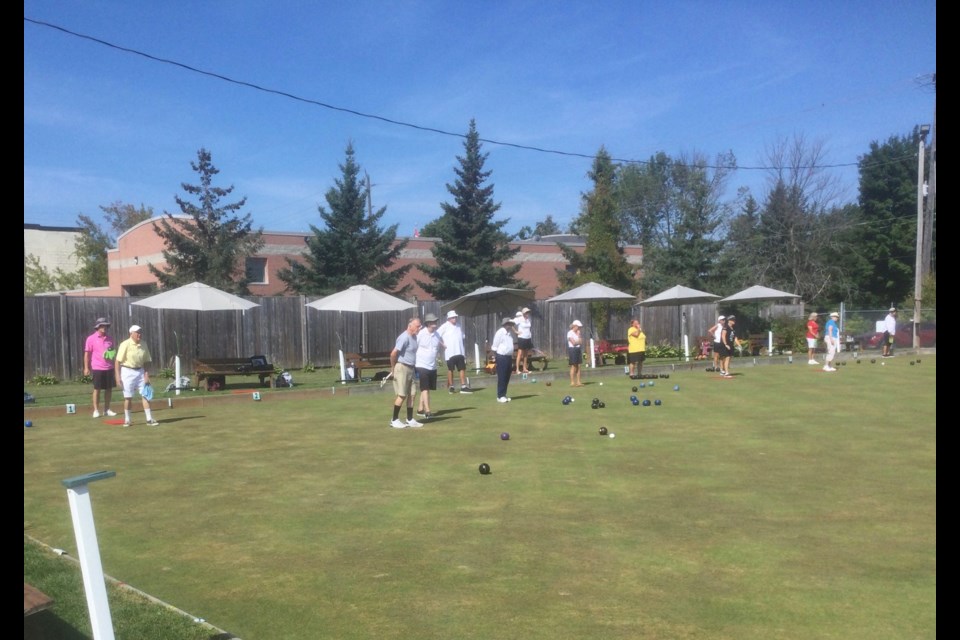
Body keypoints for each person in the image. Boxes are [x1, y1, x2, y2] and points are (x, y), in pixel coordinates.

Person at [114, 325, 159, 427]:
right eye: (137, 332)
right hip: (127, 371)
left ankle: (149, 419)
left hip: (140, 372)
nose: (139, 334)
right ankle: (127, 420)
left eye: (140, 332)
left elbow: (147, 361)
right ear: (131, 333)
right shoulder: (125, 344)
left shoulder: (144, 344)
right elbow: (117, 361)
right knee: (128, 397)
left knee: (145, 394)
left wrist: (146, 374)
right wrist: (117, 377)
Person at [389, 317, 423, 429]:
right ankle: (394, 420)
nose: (420, 328)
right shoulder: (404, 337)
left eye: (419, 326)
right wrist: (393, 368)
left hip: (411, 368)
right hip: (402, 367)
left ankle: (409, 419)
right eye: (417, 326)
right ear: (410, 326)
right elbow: (393, 354)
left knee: (412, 394)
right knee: (402, 395)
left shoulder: (414, 337)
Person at [84, 317, 118, 418]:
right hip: (97, 367)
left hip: (109, 367)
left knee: (109, 389)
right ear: (98, 327)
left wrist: (111, 354)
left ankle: (107, 410)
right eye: (102, 326)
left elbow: (112, 351)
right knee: (97, 389)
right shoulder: (90, 339)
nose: (104, 327)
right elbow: (87, 354)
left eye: (106, 326)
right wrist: (86, 368)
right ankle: (96, 410)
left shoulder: (110, 339)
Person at [436, 310, 472, 394]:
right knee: (450, 369)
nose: (454, 319)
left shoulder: (459, 326)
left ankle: (463, 386)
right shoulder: (444, 326)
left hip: (459, 351)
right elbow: (436, 335)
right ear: (449, 318)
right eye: (453, 317)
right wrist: (442, 344)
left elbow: (462, 336)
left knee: (462, 368)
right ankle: (451, 387)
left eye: (455, 317)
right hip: (450, 352)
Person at [415, 313, 442, 419]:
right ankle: (427, 411)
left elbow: (437, 346)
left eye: (435, 321)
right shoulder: (421, 334)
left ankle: (420, 409)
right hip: (421, 364)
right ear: (428, 323)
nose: (435, 323)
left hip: (432, 366)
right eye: (433, 321)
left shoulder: (437, 335)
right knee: (425, 388)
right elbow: (414, 346)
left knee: (426, 388)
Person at [491, 317, 516, 403]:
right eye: (510, 324)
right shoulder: (500, 332)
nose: (511, 326)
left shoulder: (509, 333)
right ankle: (500, 395)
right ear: (506, 324)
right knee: (502, 376)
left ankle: (503, 395)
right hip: (501, 357)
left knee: (507, 376)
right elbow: (495, 346)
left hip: (508, 357)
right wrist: (495, 357)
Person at [514, 307, 534, 374]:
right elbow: (511, 324)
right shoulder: (519, 319)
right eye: (526, 312)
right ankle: (517, 369)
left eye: (528, 312)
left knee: (526, 354)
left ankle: (524, 368)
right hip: (521, 338)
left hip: (528, 338)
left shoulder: (529, 319)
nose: (527, 314)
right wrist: (516, 331)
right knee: (520, 353)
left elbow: (529, 328)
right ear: (523, 313)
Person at [567, 320, 584, 387]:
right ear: (575, 326)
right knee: (573, 366)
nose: (579, 328)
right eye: (578, 327)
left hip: (578, 349)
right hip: (572, 350)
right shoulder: (569, 333)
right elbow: (573, 343)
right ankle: (572, 382)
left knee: (579, 366)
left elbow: (581, 342)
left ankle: (579, 382)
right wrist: (578, 341)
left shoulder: (578, 333)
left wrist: (579, 336)